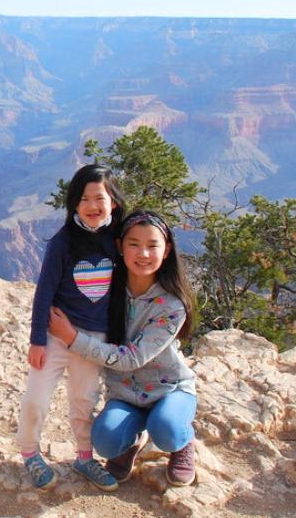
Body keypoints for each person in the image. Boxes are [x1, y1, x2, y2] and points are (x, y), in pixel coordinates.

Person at [49, 209, 199, 487]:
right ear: (119, 246)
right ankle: (134, 440)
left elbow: (132, 359)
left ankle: (183, 441)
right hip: (126, 394)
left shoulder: (172, 305)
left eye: (152, 245)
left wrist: (72, 338)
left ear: (166, 250)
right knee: (105, 442)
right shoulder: (106, 290)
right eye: (134, 244)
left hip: (170, 390)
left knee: (165, 429)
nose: (143, 253)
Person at [17, 164, 125, 491]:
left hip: (93, 340)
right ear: (74, 205)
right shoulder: (63, 242)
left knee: (84, 401)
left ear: (113, 202)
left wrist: (116, 340)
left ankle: (84, 456)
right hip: (55, 337)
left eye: (99, 198)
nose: (92, 206)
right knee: (36, 398)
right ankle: (30, 453)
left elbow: (124, 293)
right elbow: (44, 292)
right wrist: (37, 340)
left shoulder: (119, 241)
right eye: (84, 199)